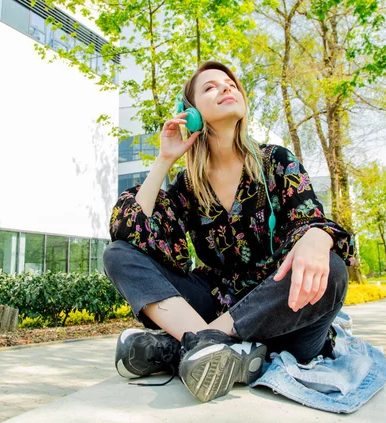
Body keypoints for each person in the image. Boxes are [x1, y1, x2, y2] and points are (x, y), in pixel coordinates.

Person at [102, 60, 354, 403]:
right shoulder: (187, 186)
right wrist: (164, 159)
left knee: (334, 271)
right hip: (214, 303)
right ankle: (221, 350)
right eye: (210, 87)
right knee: (117, 254)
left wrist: (317, 237)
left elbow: (309, 218)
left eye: (230, 83)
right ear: (190, 113)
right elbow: (130, 231)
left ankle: (193, 345)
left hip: (283, 314)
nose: (226, 87)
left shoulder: (276, 160)